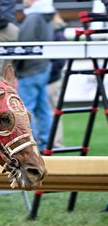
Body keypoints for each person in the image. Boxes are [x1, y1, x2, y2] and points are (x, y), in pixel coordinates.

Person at [13, 0, 55, 152]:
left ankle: (31, 147)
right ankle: (46, 144)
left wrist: (16, 70)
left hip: (29, 71)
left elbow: (23, 47)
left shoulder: (33, 17)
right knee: (43, 109)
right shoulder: (47, 15)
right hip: (42, 69)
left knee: (25, 111)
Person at [48, 12, 67, 148]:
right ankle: (54, 142)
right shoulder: (57, 32)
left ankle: (57, 143)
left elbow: (61, 60)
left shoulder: (57, 33)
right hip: (51, 78)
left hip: (52, 80)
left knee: (53, 112)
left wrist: (48, 72)